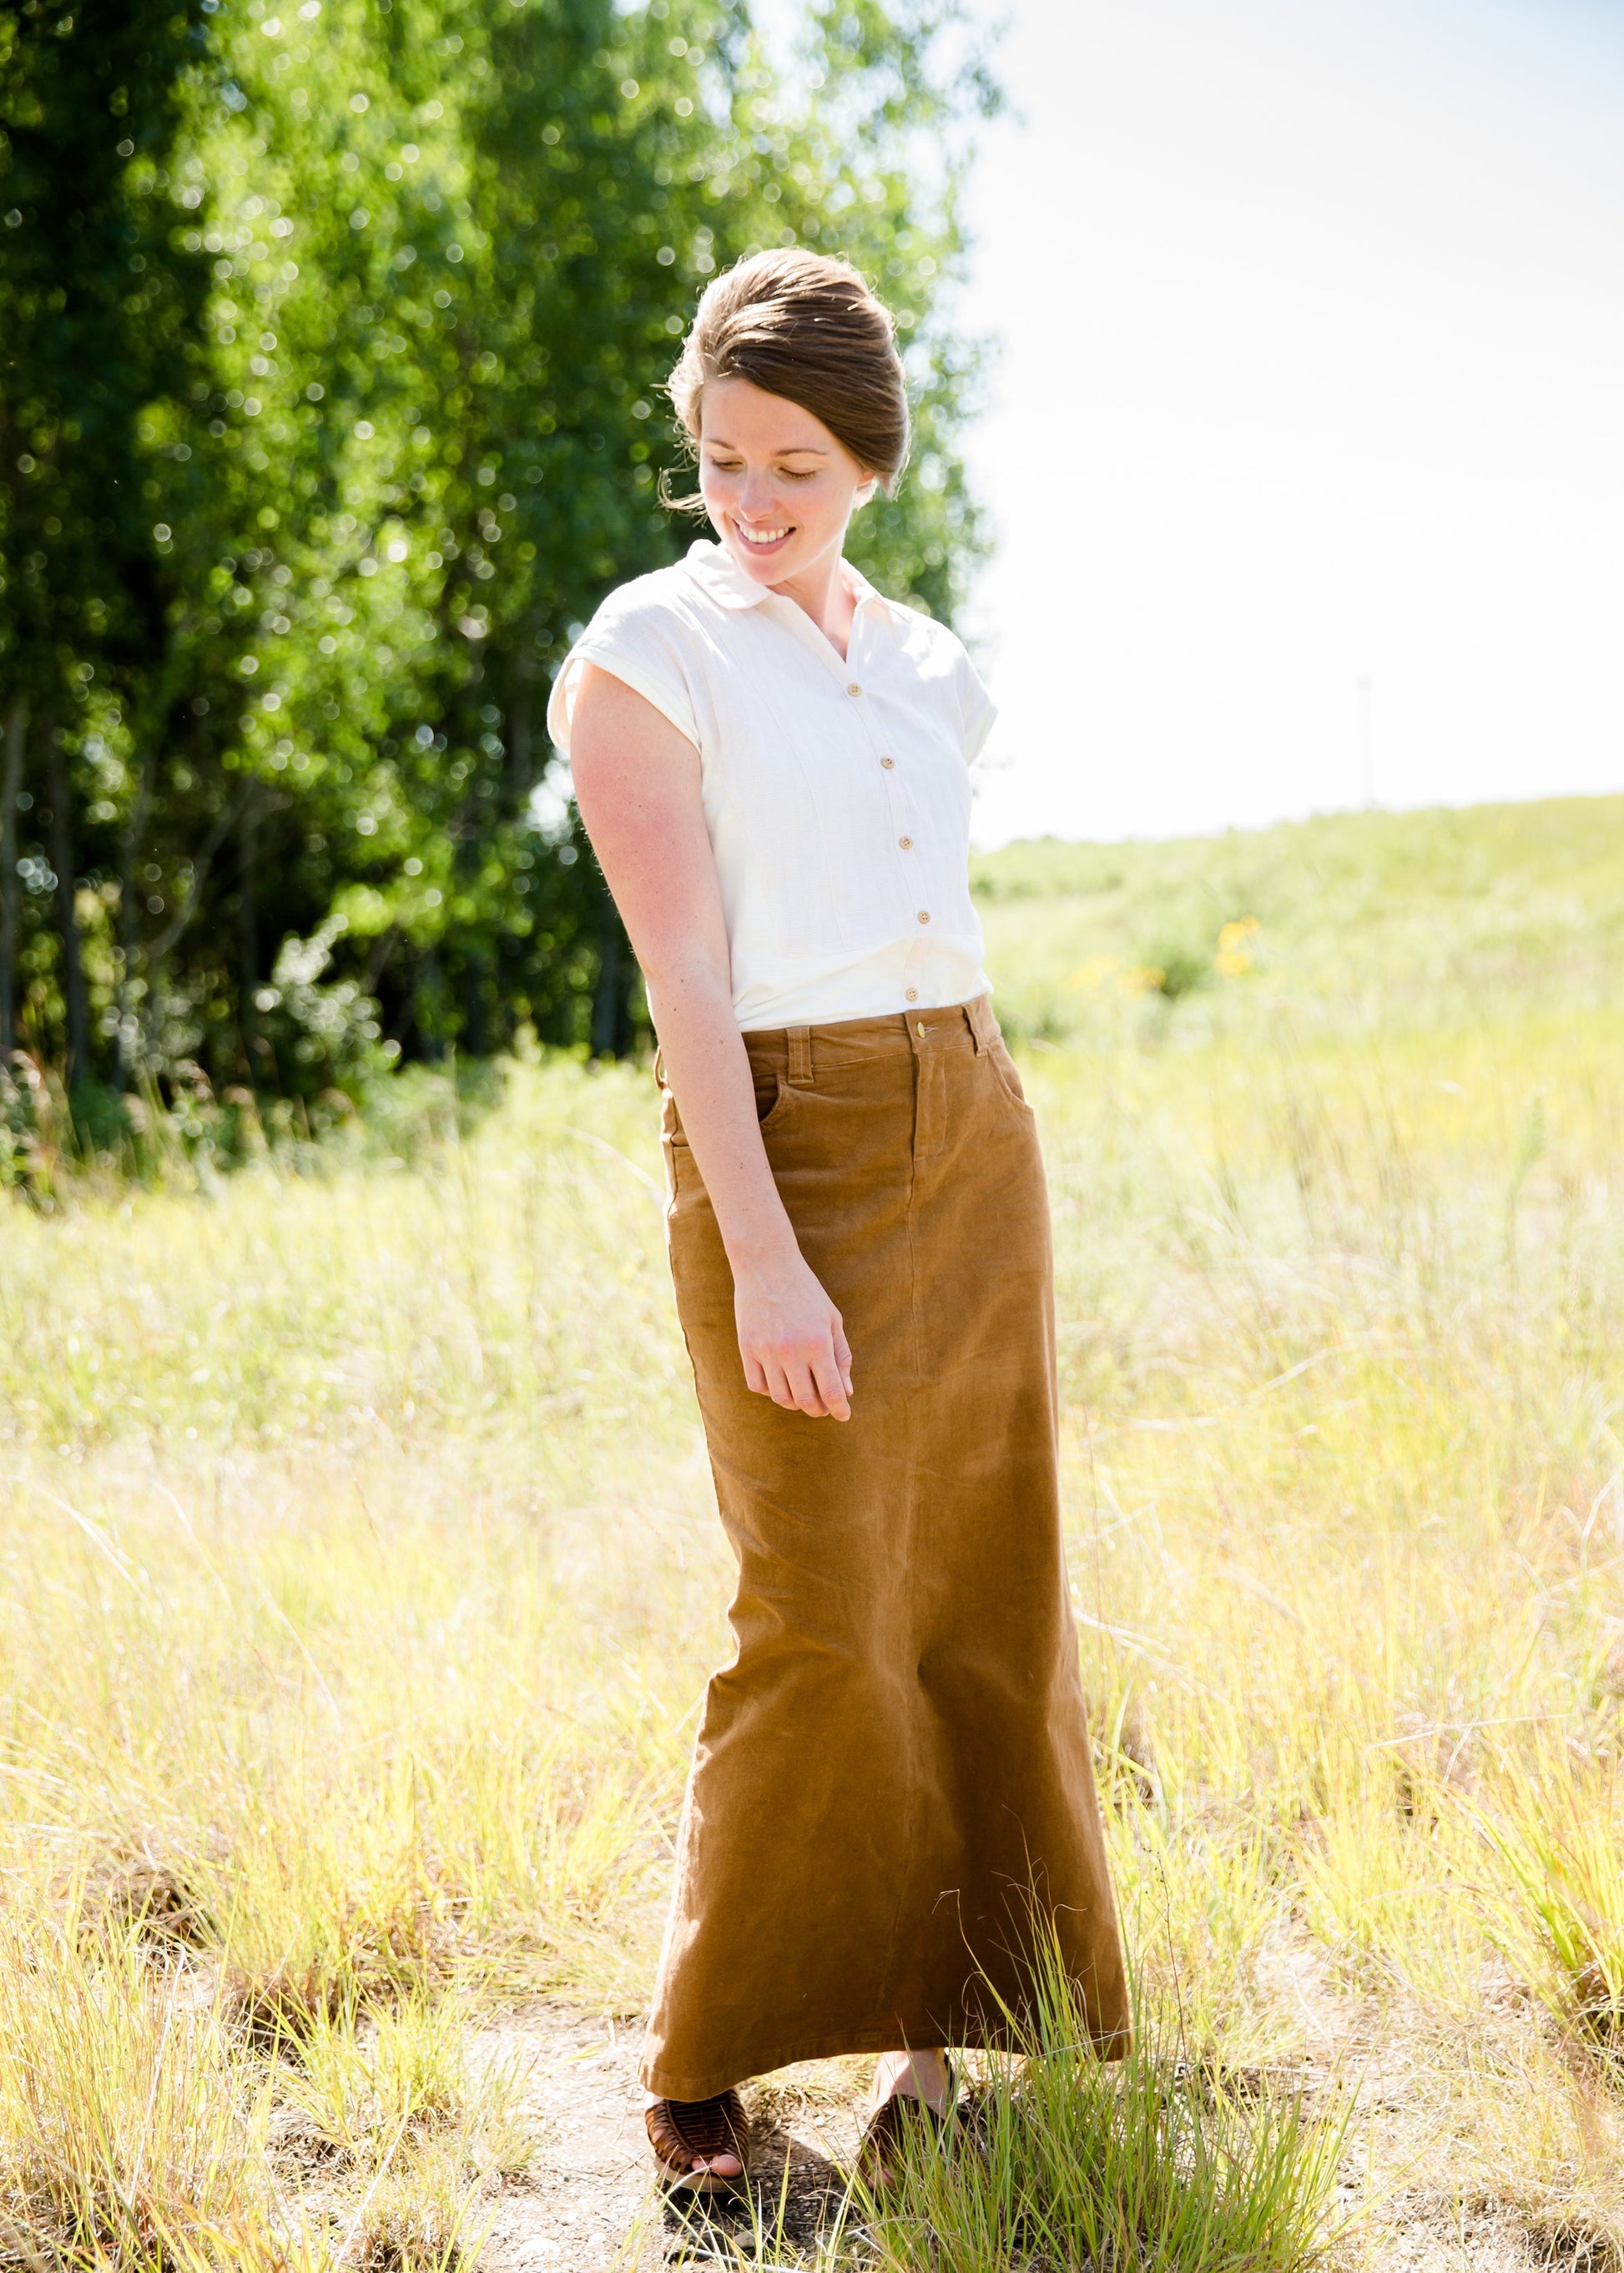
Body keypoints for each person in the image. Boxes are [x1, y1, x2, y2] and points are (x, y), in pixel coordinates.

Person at [547, 249, 1127, 2199]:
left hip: (968, 1122)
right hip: (777, 1133)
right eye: (721, 459)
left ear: (869, 454)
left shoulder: (931, 664)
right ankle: (697, 2076)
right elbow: (686, 980)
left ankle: (941, 2043)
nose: (755, 498)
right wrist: (767, 1244)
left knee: (982, 1583)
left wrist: (964, 1119)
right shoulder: (649, 649)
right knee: (813, 1611)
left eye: (793, 459)